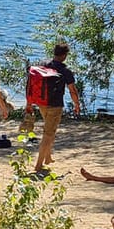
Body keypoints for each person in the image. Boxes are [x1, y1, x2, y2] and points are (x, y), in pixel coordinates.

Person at [28, 42, 82, 175]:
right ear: (64, 55)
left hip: (42, 102)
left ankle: (48, 157)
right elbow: (72, 90)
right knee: (48, 134)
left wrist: (29, 103)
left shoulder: (44, 64)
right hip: (55, 105)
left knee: (50, 129)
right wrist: (77, 104)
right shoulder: (65, 70)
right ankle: (38, 165)